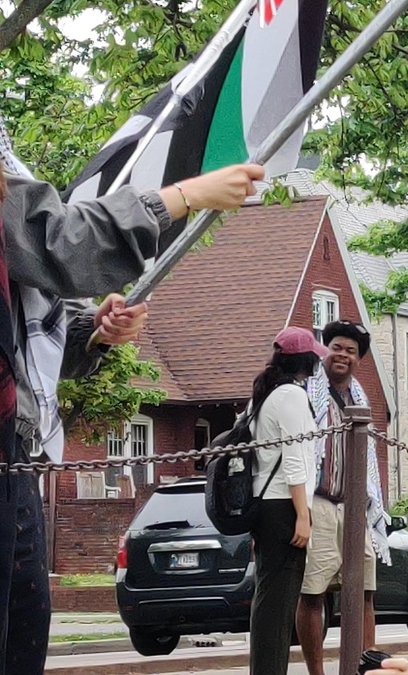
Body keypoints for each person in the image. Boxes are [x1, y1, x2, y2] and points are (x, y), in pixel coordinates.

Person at [0, 113, 262, 675]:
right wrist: (184, 195)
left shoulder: (10, 178)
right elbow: (61, 241)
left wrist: (92, 332)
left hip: (16, 453)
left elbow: (29, 328)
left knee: (23, 632)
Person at [298, 319, 392, 675]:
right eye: (336, 347)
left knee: (365, 589)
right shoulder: (306, 392)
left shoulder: (360, 397)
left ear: (359, 359)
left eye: (351, 351)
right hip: (319, 500)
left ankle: (362, 667)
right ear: (325, 349)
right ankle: (317, 672)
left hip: (354, 507)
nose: (342, 355)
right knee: (313, 591)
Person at [247, 327, 324, 675]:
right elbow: (296, 458)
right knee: (279, 606)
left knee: (269, 600)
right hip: (284, 506)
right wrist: (302, 515)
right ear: (306, 361)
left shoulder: (265, 395)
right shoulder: (291, 395)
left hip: (266, 505)